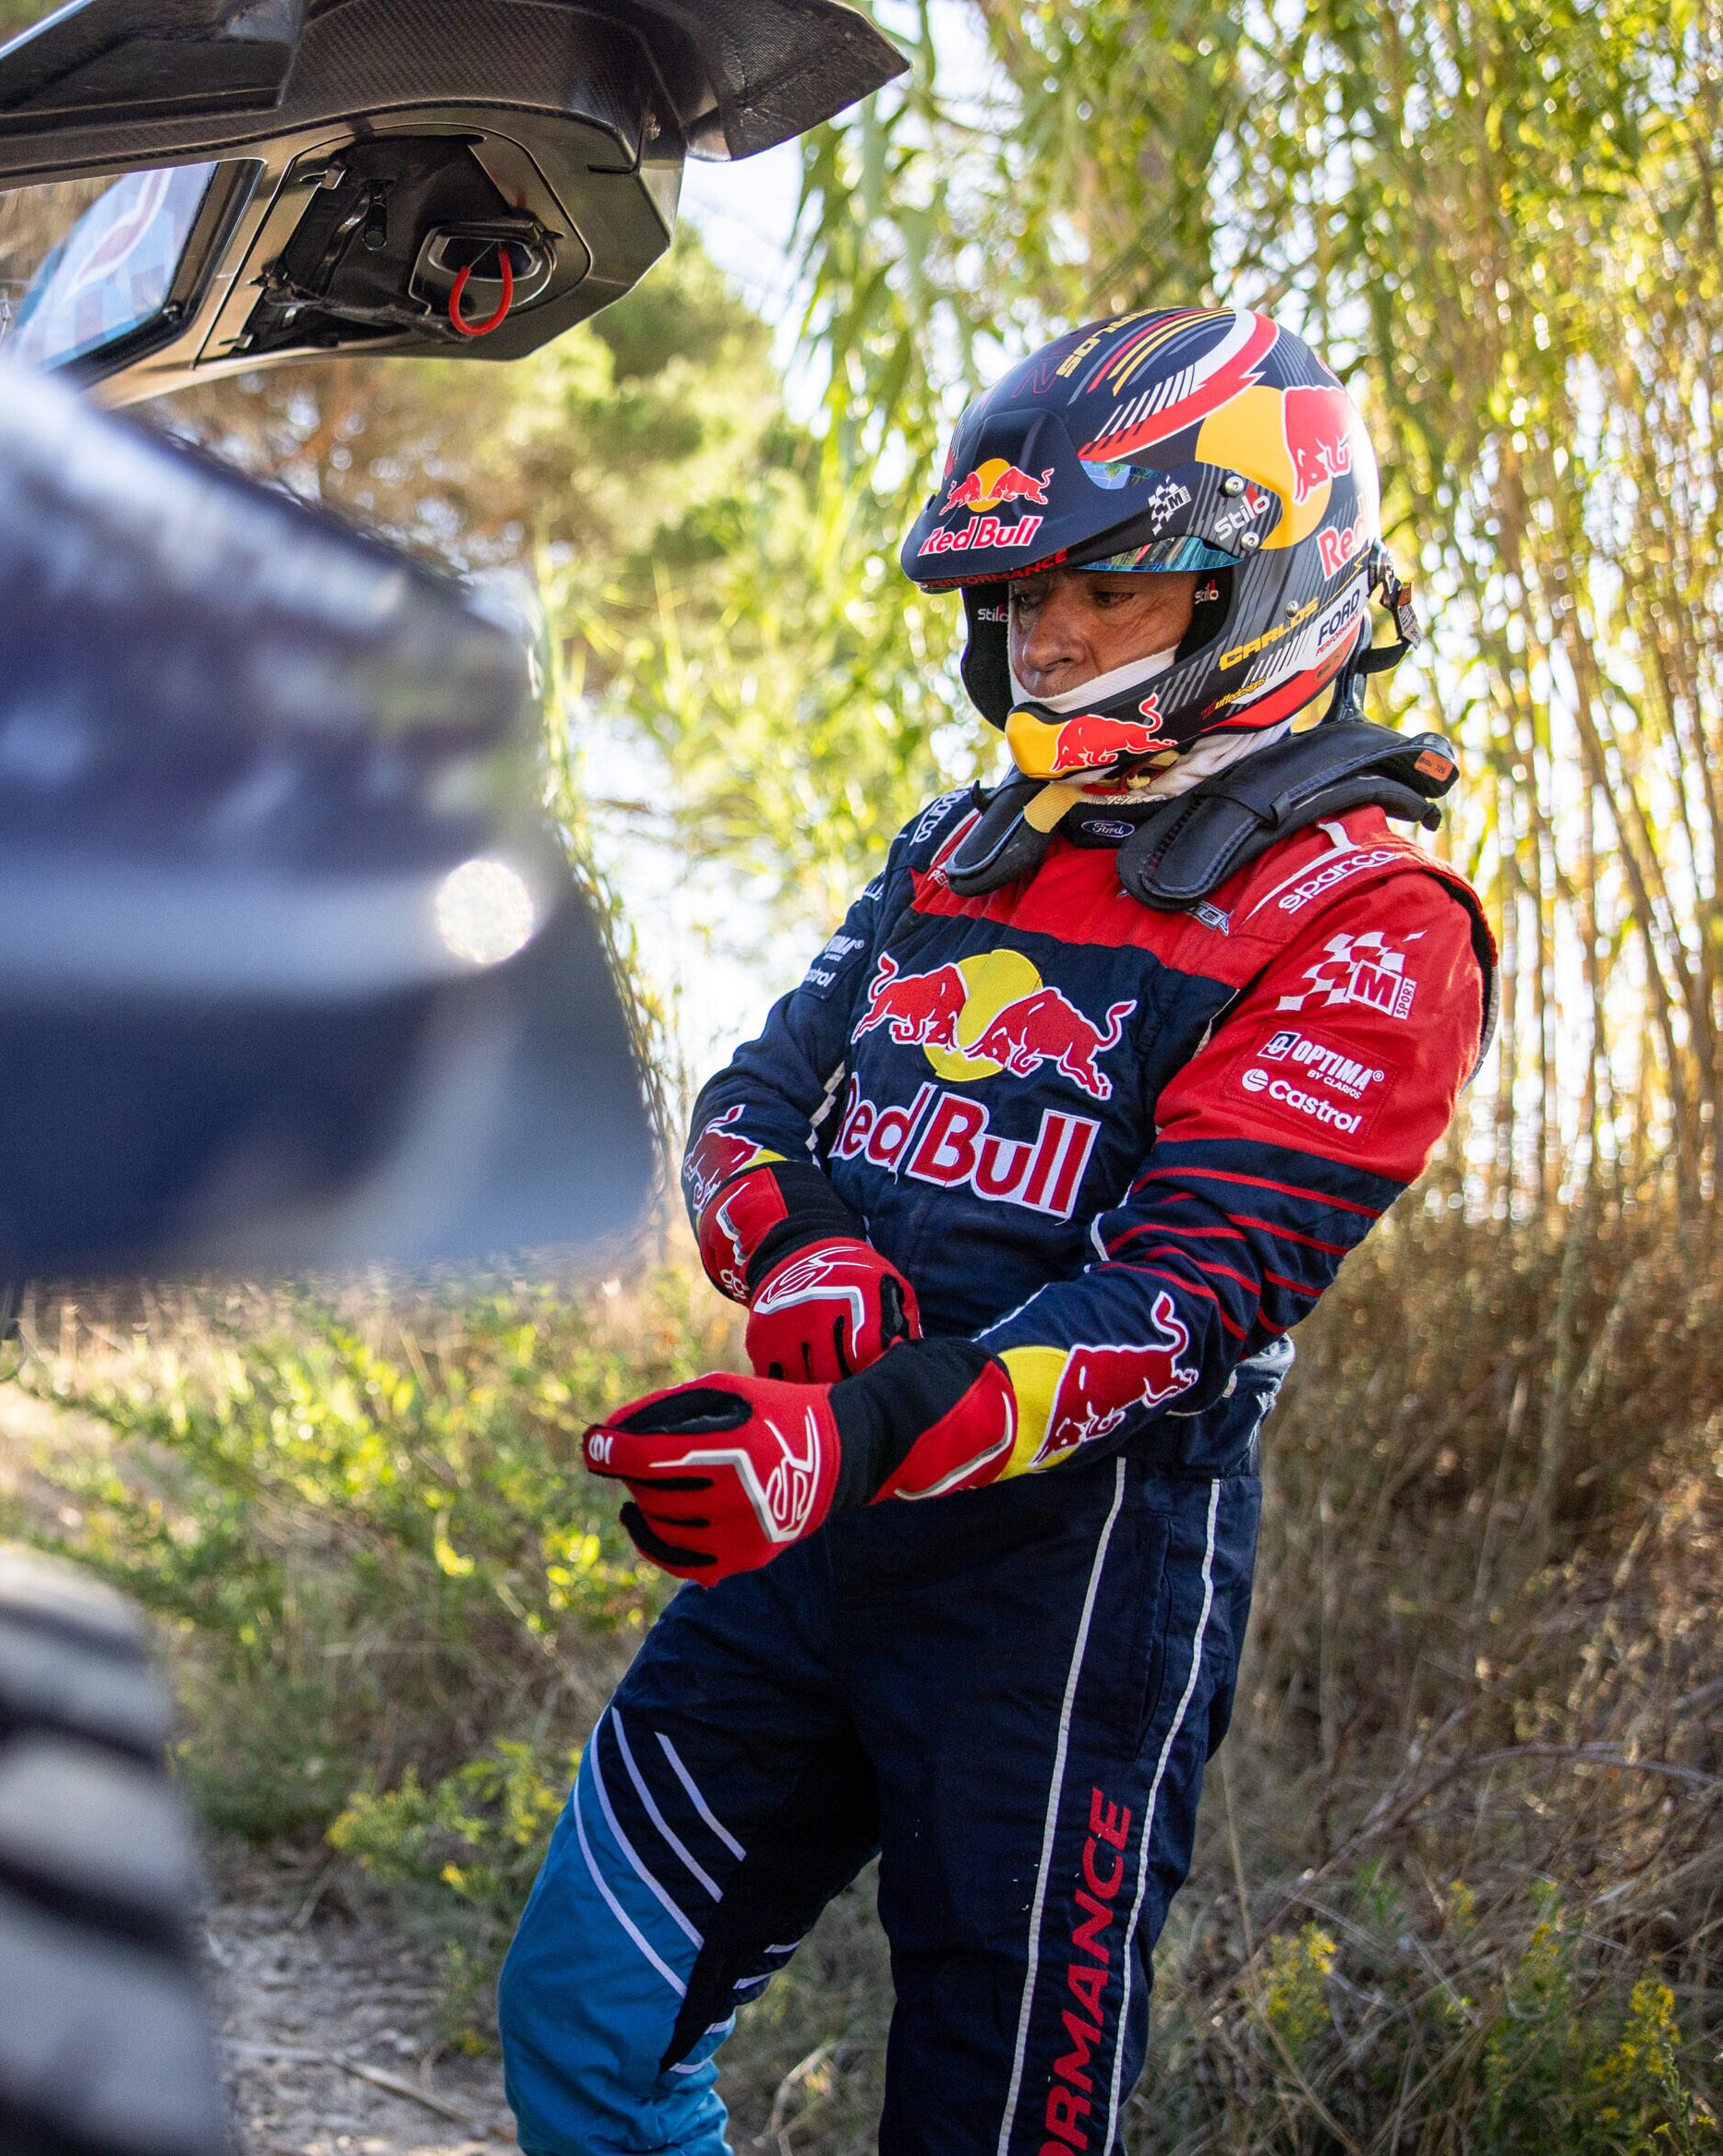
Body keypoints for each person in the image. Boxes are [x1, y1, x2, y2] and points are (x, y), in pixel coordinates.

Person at [494, 308, 1493, 2156]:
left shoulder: (1372, 917)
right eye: (1019, 584)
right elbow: (742, 1108)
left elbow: (1176, 1307)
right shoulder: (960, 848)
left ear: (1255, 574)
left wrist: (850, 1433)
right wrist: (795, 1252)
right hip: (805, 1546)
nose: (1042, 625)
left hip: (1067, 1612)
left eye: (1103, 578)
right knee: (580, 2016)